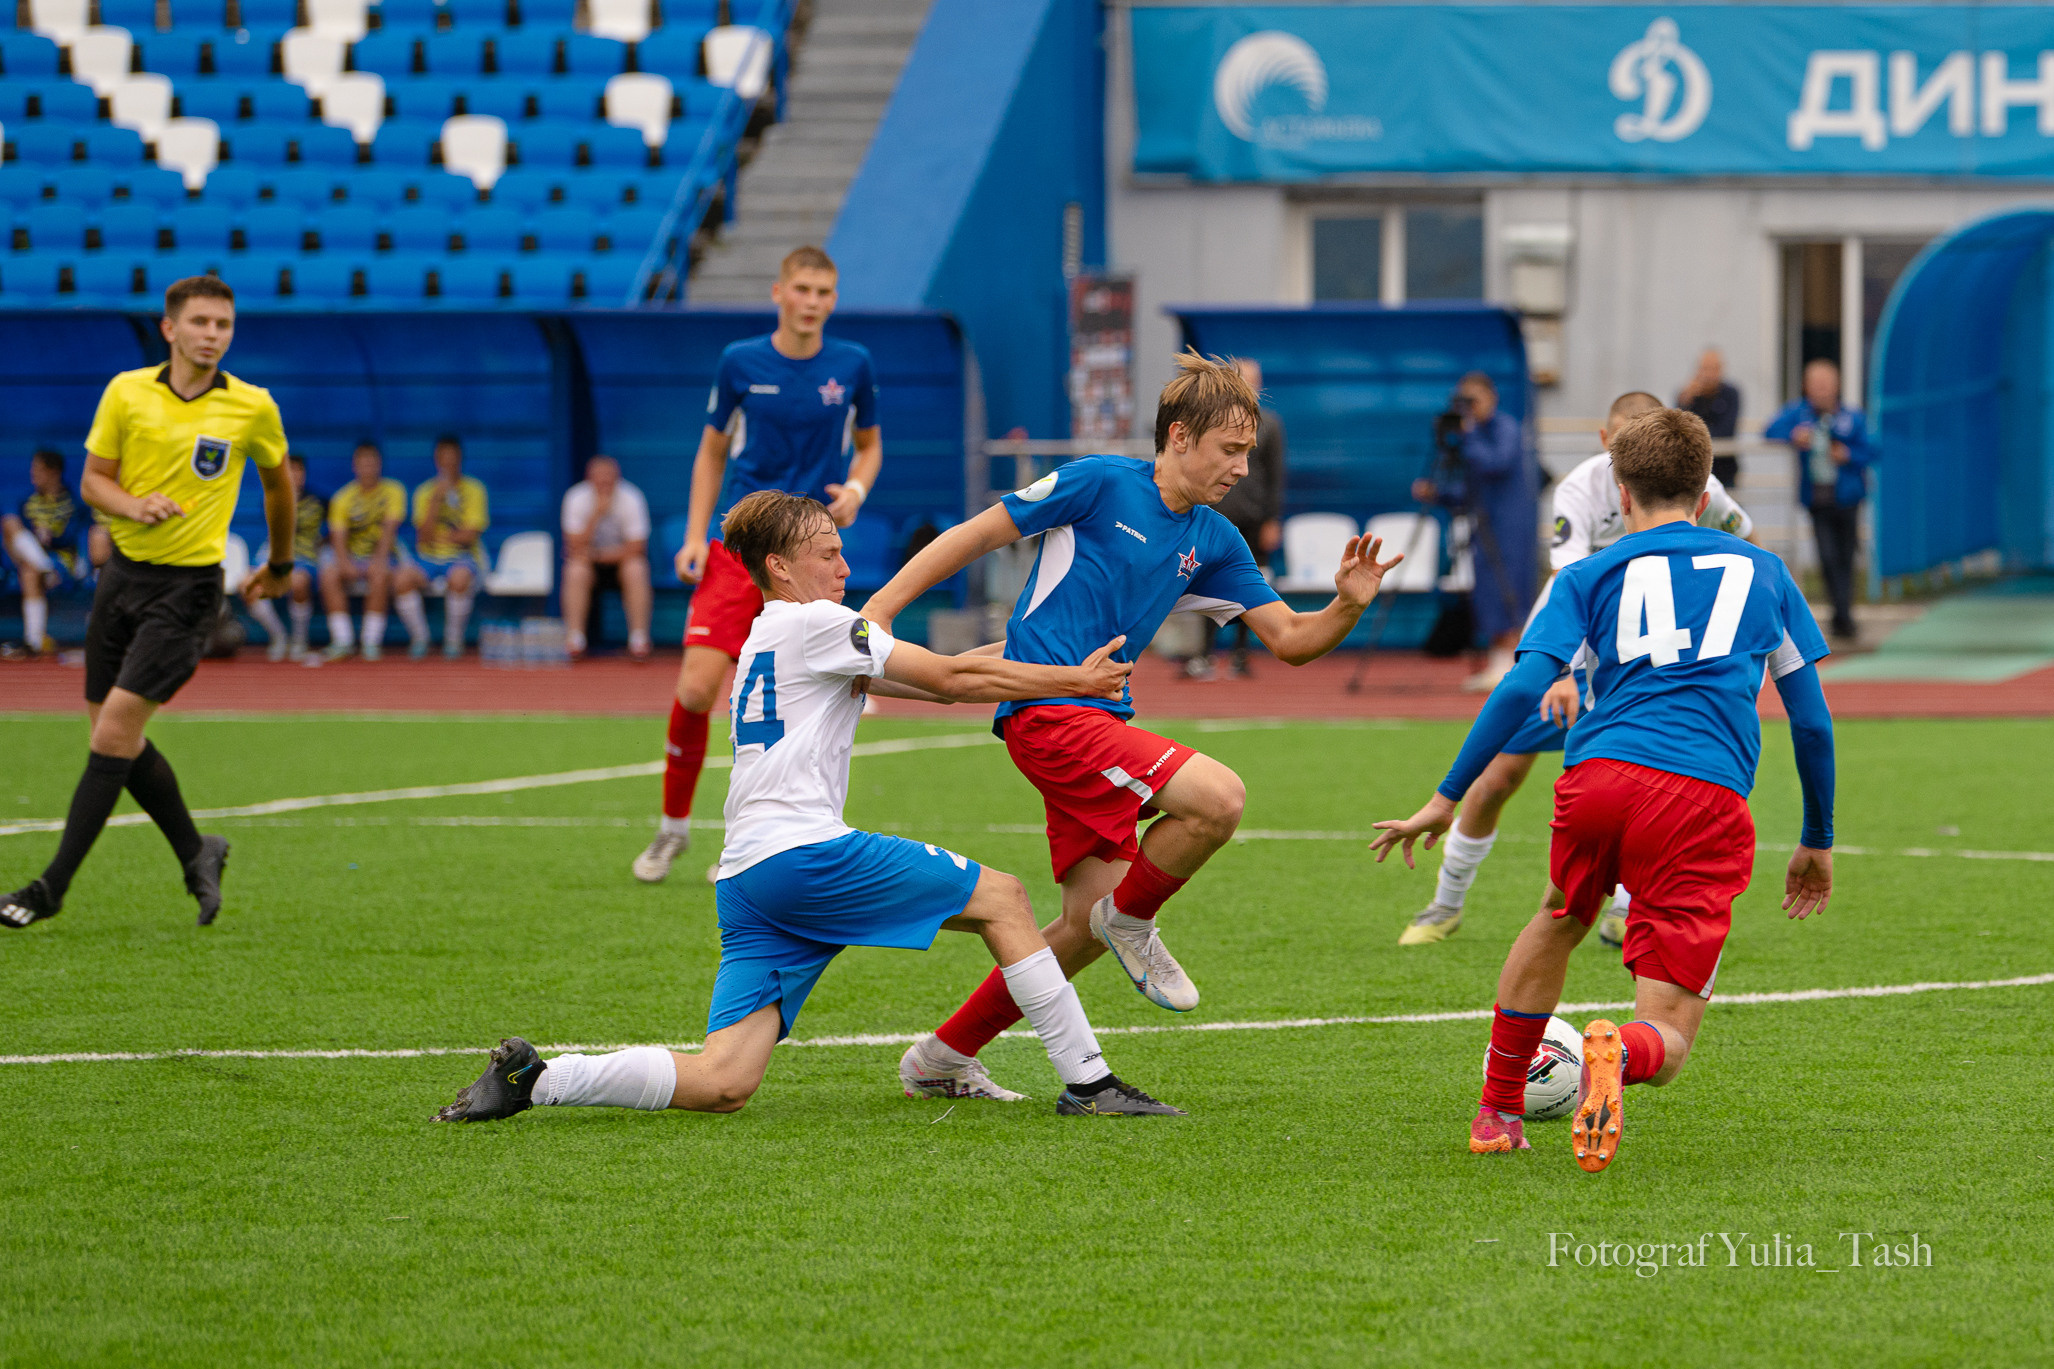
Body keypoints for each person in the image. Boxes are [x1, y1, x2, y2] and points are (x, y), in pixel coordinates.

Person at [434, 491, 1182, 1123]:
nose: (846, 566)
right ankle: (1090, 1082)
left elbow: (938, 675)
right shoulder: (821, 625)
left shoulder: (769, 636)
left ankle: (539, 1078)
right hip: (804, 855)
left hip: (748, 880)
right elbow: (952, 679)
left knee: (725, 1079)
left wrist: (1051, 660)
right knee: (1005, 897)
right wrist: (1074, 683)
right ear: (779, 567)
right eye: (827, 552)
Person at [858, 352, 1404, 1102]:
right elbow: (978, 535)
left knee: (1080, 927)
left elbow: (1292, 641)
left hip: (1093, 717)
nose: (1244, 467)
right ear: (1179, 436)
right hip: (1048, 713)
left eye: (1249, 451)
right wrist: (881, 608)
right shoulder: (1098, 481)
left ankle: (942, 1055)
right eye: (1230, 449)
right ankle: (1134, 918)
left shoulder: (1214, 538)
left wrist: (1346, 604)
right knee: (1217, 797)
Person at [1370, 408, 1835, 1169]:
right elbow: (1811, 724)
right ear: (1705, 487)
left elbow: (1523, 685)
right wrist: (1817, 836)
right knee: (1671, 1035)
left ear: (1620, 492)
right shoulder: (1765, 572)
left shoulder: (1586, 574)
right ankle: (1617, 1051)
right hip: (1700, 794)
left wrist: (1447, 795)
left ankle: (1495, 1110)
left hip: (1596, 779)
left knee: (1560, 913)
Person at [1400, 391, 1755, 948]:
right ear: (1604, 441)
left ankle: (1624, 905)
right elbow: (1576, 585)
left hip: (1641, 659)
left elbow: (1744, 540)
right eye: (1623, 438)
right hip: (1570, 650)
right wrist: (1564, 673)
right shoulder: (1582, 487)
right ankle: (1445, 904)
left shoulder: (1694, 487)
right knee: (1499, 777)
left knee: (1642, 767)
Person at [1, 275, 294, 931]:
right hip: (123, 579)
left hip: (189, 592)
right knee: (112, 733)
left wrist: (280, 565)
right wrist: (134, 505)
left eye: (223, 323)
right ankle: (198, 850)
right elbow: (93, 481)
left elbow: (278, 487)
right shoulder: (126, 392)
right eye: (200, 322)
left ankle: (50, 886)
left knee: (112, 733)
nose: (212, 334)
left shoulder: (252, 406)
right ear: (170, 328)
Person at [634, 244, 882, 885]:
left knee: (819, 695)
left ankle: (768, 840)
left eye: (824, 293)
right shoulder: (740, 361)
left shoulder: (852, 364)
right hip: (740, 548)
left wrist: (855, 490)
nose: (812, 303)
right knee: (695, 690)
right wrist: (694, 534)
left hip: (808, 552)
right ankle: (672, 828)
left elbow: (870, 446)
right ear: (779, 292)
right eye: (802, 289)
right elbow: (711, 451)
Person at [1413, 372, 1536, 691]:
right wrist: (1437, 493)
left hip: (1510, 527)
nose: (1467, 408)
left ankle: (1512, 662)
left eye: (1473, 400)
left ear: (1491, 398)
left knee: (1508, 590)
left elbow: (1496, 463)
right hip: (1484, 526)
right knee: (1488, 594)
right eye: (1461, 401)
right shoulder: (1476, 435)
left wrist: (1468, 435)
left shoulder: (1505, 429)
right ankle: (1499, 661)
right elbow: (1469, 491)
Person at [1184, 356, 1285, 680]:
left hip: (1254, 518)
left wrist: (1272, 519)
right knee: (1204, 582)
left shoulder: (1271, 423)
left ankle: (1241, 653)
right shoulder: (1212, 423)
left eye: (1253, 380)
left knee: (1249, 587)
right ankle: (1204, 653)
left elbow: (1276, 475)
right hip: (1216, 514)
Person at [1765, 359, 1873, 640]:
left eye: (1825, 383)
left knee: (1846, 557)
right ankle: (1839, 615)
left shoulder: (1852, 416)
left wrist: (1847, 455)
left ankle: (1844, 616)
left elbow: (1872, 449)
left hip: (1847, 498)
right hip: (1817, 499)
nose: (1821, 390)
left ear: (1836, 385)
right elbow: (1769, 430)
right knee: (1826, 557)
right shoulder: (1799, 414)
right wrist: (1793, 436)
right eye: (1815, 384)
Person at [320, 442, 427, 661]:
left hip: (386, 554)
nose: (368, 468)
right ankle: (343, 641)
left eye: (372, 463)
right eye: (363, 463)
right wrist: (344, 562)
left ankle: (371, 642)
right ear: (354, 466)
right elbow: (338, 536)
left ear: (379, 465)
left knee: (380, 574)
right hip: (352, 555)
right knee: (329, 574)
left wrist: (378, 561)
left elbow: (389, 530)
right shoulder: (343, 497)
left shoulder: (393, 490)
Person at [396, 433, 488, 659]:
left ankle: (453, 640)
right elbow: (424, 538)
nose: (448, 462)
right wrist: (436, 499)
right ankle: (420, 638)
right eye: (443, 457)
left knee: (459, 578)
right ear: (436, 460)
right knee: (401, 579)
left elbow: (470, 535)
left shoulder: (475, 489)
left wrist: (446, 537)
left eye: (453, 457)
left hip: (463, 557)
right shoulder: (425, 491)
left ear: (461, 459)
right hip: (428, 558)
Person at [3, 449, 99, 655]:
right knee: (10, 524)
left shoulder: (73, 503)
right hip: (38, 561)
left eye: (38, 470)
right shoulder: (28, 502)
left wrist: (52, 537)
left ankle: (34, 640)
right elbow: (19, 540)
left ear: (53, 471)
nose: (33, 475)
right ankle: (35, 642)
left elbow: (75, 535)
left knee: (30, 571)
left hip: (63, 563)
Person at [560, 454, 652, 660]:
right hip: (588, 565)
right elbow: (573, 546)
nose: (603, 483)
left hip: (618, 564)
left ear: (617, 477)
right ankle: (575, 638)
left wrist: (596, 554)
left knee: (636, 568)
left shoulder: (631, 497)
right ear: (588, 478)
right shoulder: (575, 497)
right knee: (575, 569)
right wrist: (596, 514)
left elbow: (637, 548)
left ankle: (639, 638)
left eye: (608, 477)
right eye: (598, 478)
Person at [246, 452, 323, 661]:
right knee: (247, 585)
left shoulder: (318, 502)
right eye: (289, 470)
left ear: (304, 474)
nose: (293, 475)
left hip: (303, 559)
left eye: (297, 470)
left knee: (298, 582)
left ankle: (299, 639)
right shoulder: (271, 498)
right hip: (273, 557)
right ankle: (279, 637)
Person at [1676, 348, 1742, 488]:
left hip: (1724, 467)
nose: (1710, 374)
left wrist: (1697, 437)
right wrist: (1684, 402)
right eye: (1705, 368)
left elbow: (1726, 430)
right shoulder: (1689, 395)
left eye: (1714, 368)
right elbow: (1679, 428)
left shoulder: (1731, 393)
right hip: (1693, 470)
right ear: (1697, 370)